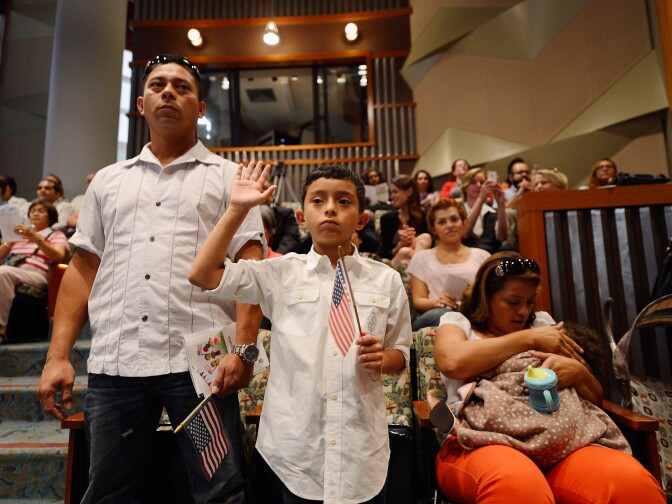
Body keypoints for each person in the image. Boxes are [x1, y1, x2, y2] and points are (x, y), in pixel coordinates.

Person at [37, 54, 265, 503]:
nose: (168, 92)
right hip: (118, 361)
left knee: (218, 488)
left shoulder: (229, 180)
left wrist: (245, 349)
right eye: (158, 85)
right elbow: (83, 270)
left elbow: (250, 270)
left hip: (200, 368)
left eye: (182, 87)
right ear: (140, 103)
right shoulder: (107, 181)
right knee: (109, 491)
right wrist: (57, 355)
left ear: (201, 108)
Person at [188, 163, 412, 503]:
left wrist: (383, 357)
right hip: (297, 449)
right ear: (302, 218)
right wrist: (237, 210)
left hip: (360, 446)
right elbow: (203, 274)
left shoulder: (387, 279)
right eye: (318, 201)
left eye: (344, 202)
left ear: (361, 220)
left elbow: (401, 354)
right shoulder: (279, 273)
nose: (331, 209)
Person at [432, 252, 665, 503]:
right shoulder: (459, 323)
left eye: (530, 302)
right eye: (513, 302)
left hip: (563, 442)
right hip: (481, 442)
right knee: (517, 486)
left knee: (631, 483)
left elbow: (595, 396)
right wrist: (529, 339)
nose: (523, 311)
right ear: (485, 298)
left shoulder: (542, 322)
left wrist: (576, 372)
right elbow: (452, 362)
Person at [406, 199, 489, 330]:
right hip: (437, 313)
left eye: (454, 219)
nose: (449, 225)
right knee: (446, 315)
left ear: (463, 222)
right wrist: (438, 301)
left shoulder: (482, 255)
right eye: (442, 222)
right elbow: (418, 301)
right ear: (433, 229)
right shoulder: (421, 258)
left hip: (472, 311)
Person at [0, 200, 68, 343]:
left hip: (37, 274)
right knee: (4, 273)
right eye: (33, 211)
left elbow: (58, 256)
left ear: (50, 217)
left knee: (3, 273)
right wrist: (10, 241)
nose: (36, 213)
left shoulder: (55, 235)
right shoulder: (19, 236)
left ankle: (1, 329)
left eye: (41, 211)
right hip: (11, 271)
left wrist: (36, 238)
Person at [379, 174, 431, 264]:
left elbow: (433, 247)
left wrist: (413, 241)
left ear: (409, 191)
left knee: (424, 238)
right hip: (396, 264)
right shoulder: (387, 218)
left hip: (422, 260)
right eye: (391, 193)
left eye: (395, 192)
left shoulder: (426, 216)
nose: (391, 196)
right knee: (405, 251)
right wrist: (401, 245)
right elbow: (385, 255)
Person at [460, 168, 508, 253]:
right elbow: (464, 234)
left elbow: (502, 237)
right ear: (465, 187)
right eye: (473, 182)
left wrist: (501, 205)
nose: (478, 185)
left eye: (482, 182)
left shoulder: (492, 211)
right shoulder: (458, 210)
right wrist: (481, 198)